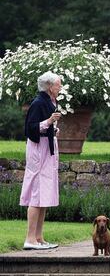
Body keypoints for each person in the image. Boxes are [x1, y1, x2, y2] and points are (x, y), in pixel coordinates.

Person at [20, 71, 62, 250]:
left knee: (44, 193)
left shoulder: (51, 101)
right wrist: (49, 121)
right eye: (58, 84)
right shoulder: (38, 103)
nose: (60, 87)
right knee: (36, 193)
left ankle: (39, 238)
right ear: (49, 86)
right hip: (38, 151)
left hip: (47, 148)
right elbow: (30, 128)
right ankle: (30, 239)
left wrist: (53, 129)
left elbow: (45, 127)